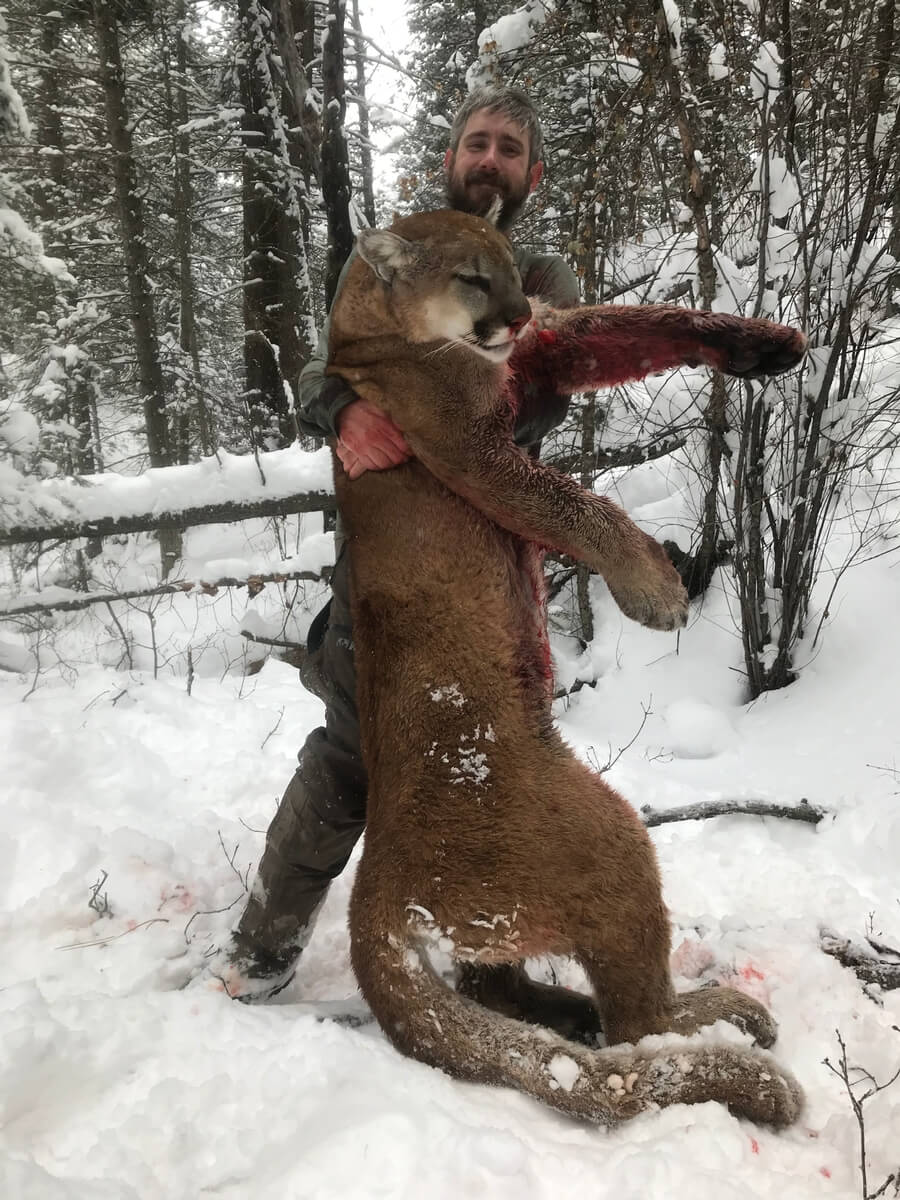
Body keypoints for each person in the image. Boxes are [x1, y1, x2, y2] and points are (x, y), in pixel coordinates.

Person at [219, 86, 581, 1001]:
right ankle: (259, 955)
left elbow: (532, 398)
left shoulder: (545, 278)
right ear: (448, 162)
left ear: (532, 175)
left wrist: (406, 405)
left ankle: (489, 971)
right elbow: (321, 367)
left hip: (487, 584)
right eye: (476, 143)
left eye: (508, 148)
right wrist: (345, 410)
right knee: (350, 756)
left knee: (491, 766)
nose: (489, 159)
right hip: (381, 569)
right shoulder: (387, 260)